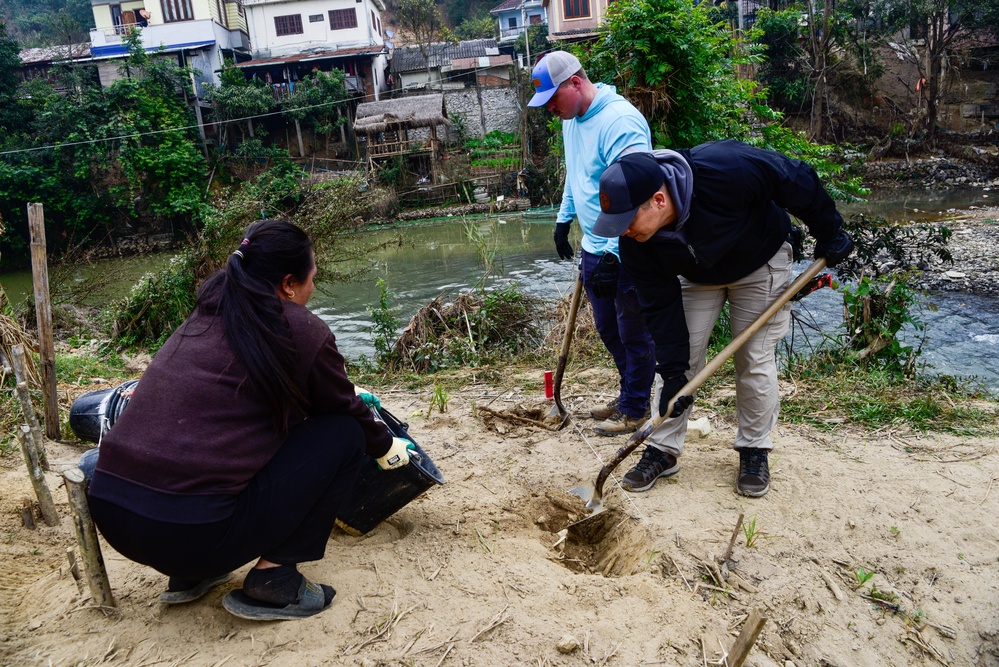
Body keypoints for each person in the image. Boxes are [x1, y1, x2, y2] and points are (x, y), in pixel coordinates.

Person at [84, 219, 414, 621]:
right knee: (345, 435)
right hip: (188, 531)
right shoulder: (300, 328)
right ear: (289, 283)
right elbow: (344, 409)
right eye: (313, 278)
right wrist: (385, 445)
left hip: (115, 517)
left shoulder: (204, 317)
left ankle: (189, 575)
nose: (313, 288)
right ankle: (276, 579)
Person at [593, 141, 854, 496]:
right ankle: (663, 448)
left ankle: (754, 449)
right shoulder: (637, 241)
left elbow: (795, 177)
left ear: (658, 199)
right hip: (697, 274)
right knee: (681, 365)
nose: (624, 231)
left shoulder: (725, 168)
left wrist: (829, 230)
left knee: (754, 356)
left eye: (628, 220)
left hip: (759, 259)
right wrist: (672, 374)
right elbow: (660, 307)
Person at [527, 50, 656, 436]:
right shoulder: (571, 118)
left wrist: (617, 254)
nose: (551, 109)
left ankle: (635, 408)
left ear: (576, 83)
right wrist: (563, 219)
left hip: (627, 249)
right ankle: (631, 393)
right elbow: (576, 173)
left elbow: (640, 195)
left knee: (634, 332)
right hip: (594, 248)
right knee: (607, 328)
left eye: (553, 99)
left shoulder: (620, 123)